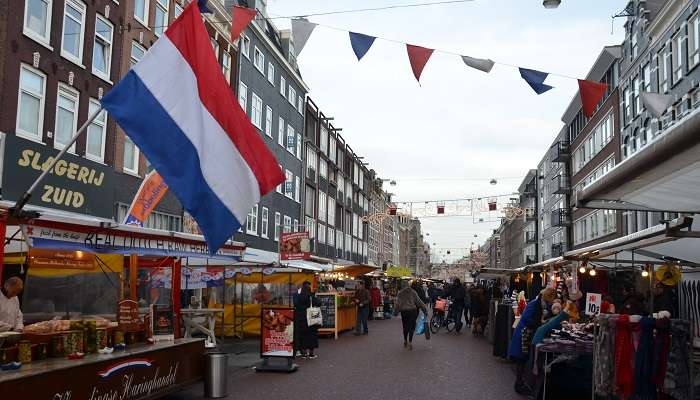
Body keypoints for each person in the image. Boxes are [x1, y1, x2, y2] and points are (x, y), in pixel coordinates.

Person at [394, 280, 428, 350]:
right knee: (411, 327)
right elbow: (419, 302)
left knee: (405, 326)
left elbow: (398, 304)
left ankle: (405, 340)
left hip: (404, 312)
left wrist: (396, 312)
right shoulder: (413, 292)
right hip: (412, 311)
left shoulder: (400, 293)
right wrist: (424, 310)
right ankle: (410, 342)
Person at [293, 281, 319, 359]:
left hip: (301, 319)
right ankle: (311, 354)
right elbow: (318, 303)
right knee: (312, 336)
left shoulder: (298, 296)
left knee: (302, 336)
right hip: (311, 319)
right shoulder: (311, 296)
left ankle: (303, 353)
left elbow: (295, 304)